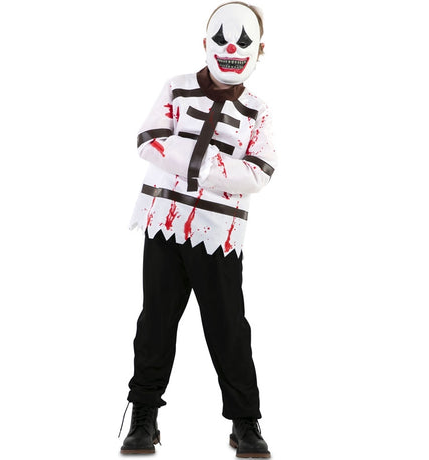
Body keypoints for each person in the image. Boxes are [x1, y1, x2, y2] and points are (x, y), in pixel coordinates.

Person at [119, 2, 276, 457]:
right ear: (205, 43)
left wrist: (201, 167)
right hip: (163, 225)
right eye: (222, 38)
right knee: (155, 322)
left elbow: (260, 170)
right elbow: (149, 140)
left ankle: (245, 422)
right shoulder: (176, 87)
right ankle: (143, 415)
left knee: (228, 328)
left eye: (244, 41)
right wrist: (216, 166)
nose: (231, 47)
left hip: (217, 233)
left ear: (259, 50)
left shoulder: (257, 112)